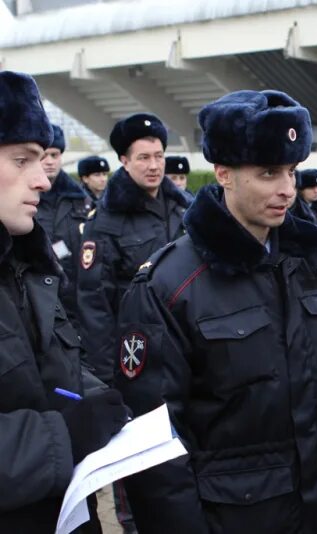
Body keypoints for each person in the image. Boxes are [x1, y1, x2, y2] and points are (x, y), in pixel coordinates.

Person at [114, 89, 317, 533]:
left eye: (291, 170)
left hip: (309, 503)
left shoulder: (305, 261)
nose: (287, 189)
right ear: (223, 172)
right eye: (268, 173)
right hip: (230, 516)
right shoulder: (169, 284)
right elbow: (154, 443)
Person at [0, 70, 127, 534]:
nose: (43, 180)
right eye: (21, 160)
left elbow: (44, 376)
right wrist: (65, 435)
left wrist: (106, 402)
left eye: (43, 159)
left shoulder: (25, 266)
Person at [77, 113, 190, 384]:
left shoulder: (185, 208)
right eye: (143, 158)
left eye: (159, 156)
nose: (154, 166)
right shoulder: (105, 221)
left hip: (188, 347)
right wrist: (105, 379)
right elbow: (95, 306)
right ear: (124, 161)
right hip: (138, 356)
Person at [36, 124, 93, 323]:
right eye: (44, 155)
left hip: (76, 303)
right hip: (38, 300)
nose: (50, 161)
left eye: (55, 155)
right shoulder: (23, 199)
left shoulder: (83, 201)